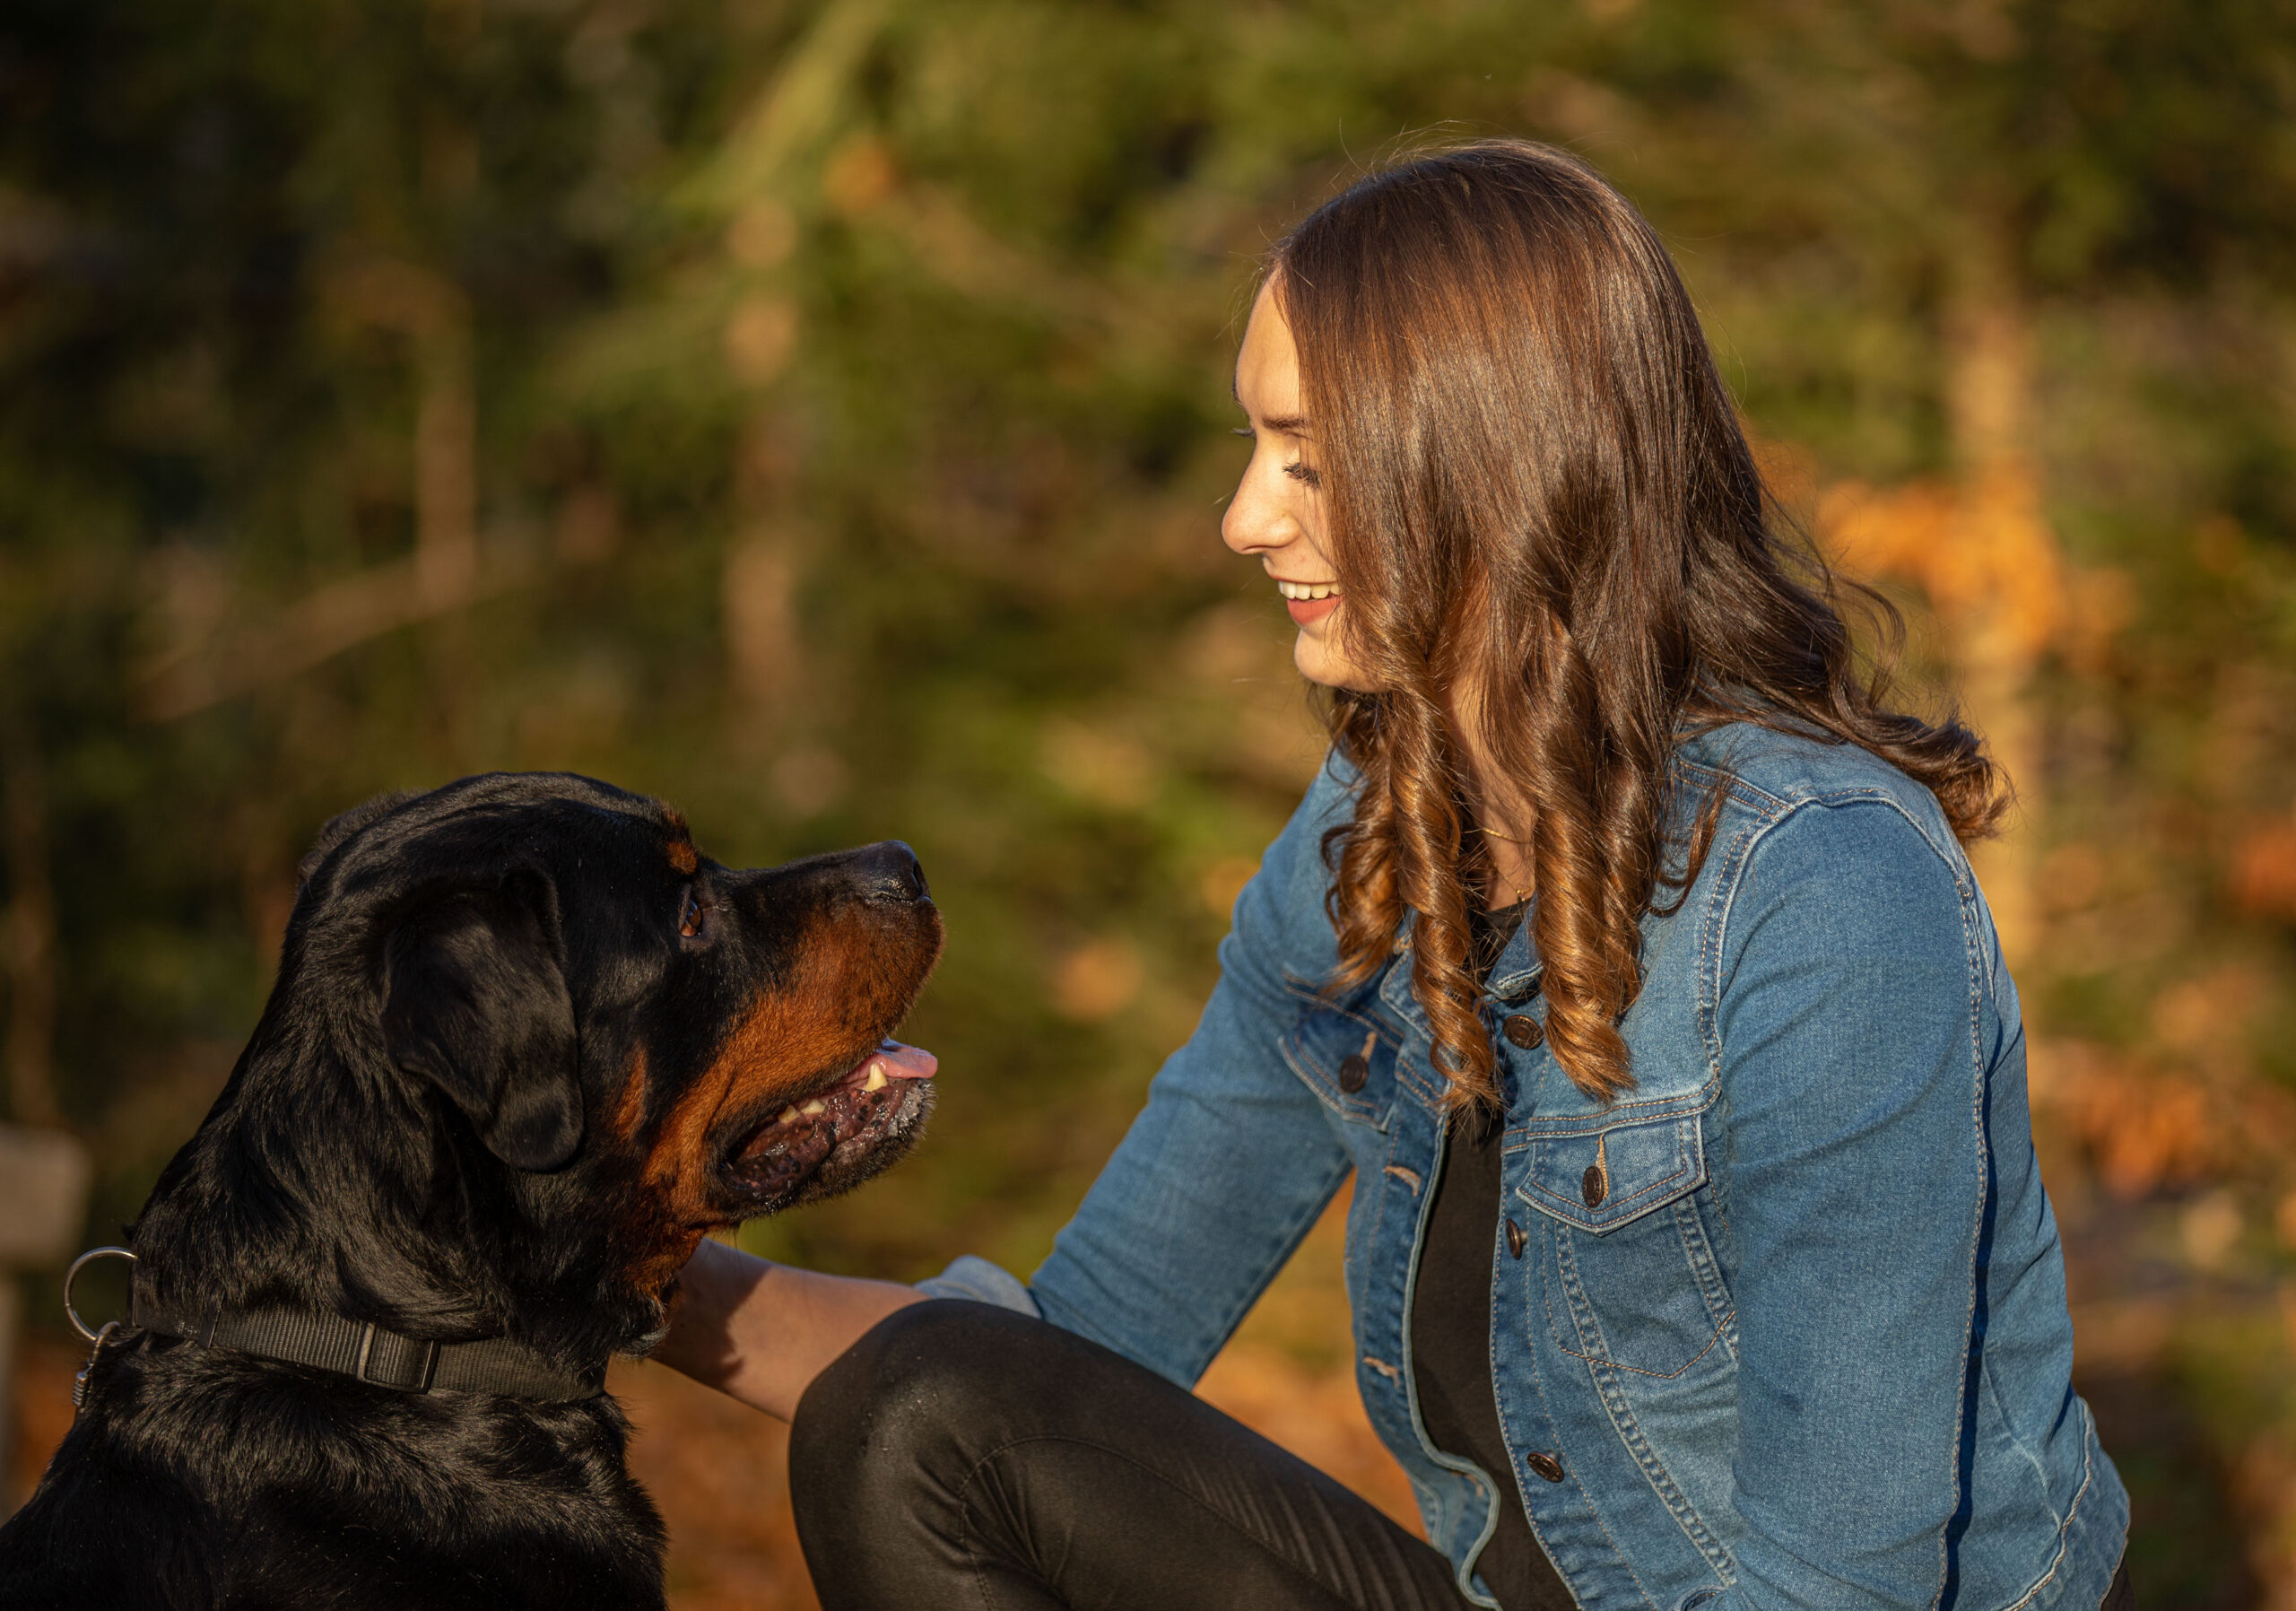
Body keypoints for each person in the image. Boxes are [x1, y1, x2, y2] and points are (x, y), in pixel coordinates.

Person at [654, 139, 2132, 1611]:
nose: (1244, 517)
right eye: (1253, 449)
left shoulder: (1823, 896)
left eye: (1307, 455)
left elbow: (1840, 1588)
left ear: (1497, 456)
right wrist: (606, 1261)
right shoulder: (1370, 836)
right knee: (911, 1423)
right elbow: (1064, 1360)